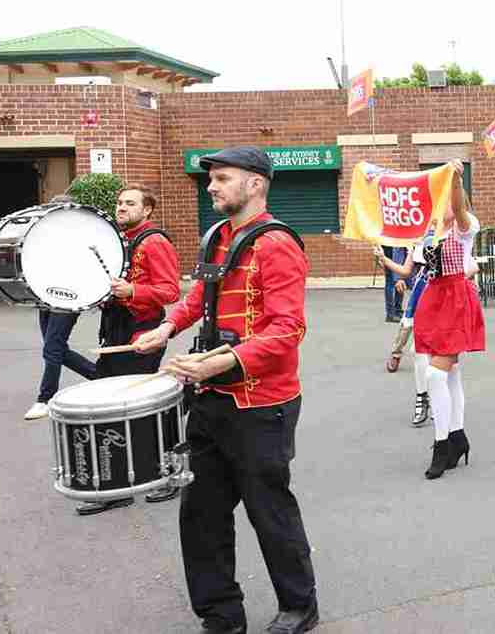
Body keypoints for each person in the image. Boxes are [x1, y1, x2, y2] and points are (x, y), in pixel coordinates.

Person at [133, 146, 318, 634]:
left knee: (269, 511)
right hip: (212, 398)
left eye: (222, 178)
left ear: (255, 183)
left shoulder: (277, 244)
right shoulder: (217, 236)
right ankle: (220, 613)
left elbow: (287, 329)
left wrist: (222, 361)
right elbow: (200, 295)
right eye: (210, 178)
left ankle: (300, 606)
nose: (211, 186)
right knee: (201, 515)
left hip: (263, 403)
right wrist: (166, 326)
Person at [75, 183, 182, 515]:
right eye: (120, 203)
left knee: (142, 406)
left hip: (143, 331)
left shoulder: (155, 242)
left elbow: (170, 291)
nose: (121, 207)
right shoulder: (120, 241)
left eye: (130, 203)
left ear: (146, 209)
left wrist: (132, 290)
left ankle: (168, 474)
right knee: (110, 402)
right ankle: (118, 483)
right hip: (116, 330)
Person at [413, 160, 484, 480]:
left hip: (456, 299)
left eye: (449, 201)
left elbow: (456, 205)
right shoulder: (428, 232)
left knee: (436, 375)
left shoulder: (465, 227)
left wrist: (454, 178)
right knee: (451, 374)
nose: (444, 206)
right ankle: (458, 437)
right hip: (433, 299)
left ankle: (442, 443)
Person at [24, 194, 98, 422]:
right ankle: (101, 377)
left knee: (52, 348)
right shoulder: (45, 237)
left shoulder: (81, 237)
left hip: (68, 298)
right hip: (46, 296)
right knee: (55, 348)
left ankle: (45, 399)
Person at [375, 220, 440, 427]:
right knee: (419, 350)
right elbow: (405, 270)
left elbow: (467, 264)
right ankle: (423, 398)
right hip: (422, 291)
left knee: (439, 353)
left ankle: (438, 400)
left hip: (442, 291)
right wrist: (383, 258)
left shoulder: (448, 234)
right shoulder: (416, 239)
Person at [382, 243, 408, 323]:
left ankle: (396, 311)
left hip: (390, 242)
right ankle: (392, 313)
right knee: (392, 279)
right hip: (394, 242)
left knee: (397, 277)